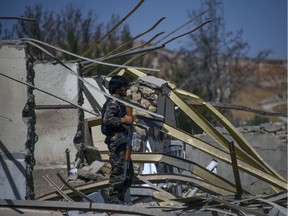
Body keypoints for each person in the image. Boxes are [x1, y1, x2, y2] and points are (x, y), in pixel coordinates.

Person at [101, 75, 134, 205]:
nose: (126, 89)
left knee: (128, 174)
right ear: (118, 88)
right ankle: (113, 202)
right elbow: (107, 120)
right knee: (118, 173)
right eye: (124, 86)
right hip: (117, 143)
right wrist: (123, 120)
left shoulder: (121, 102)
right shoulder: (113, 101)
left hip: (123, 142)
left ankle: (118, 199)